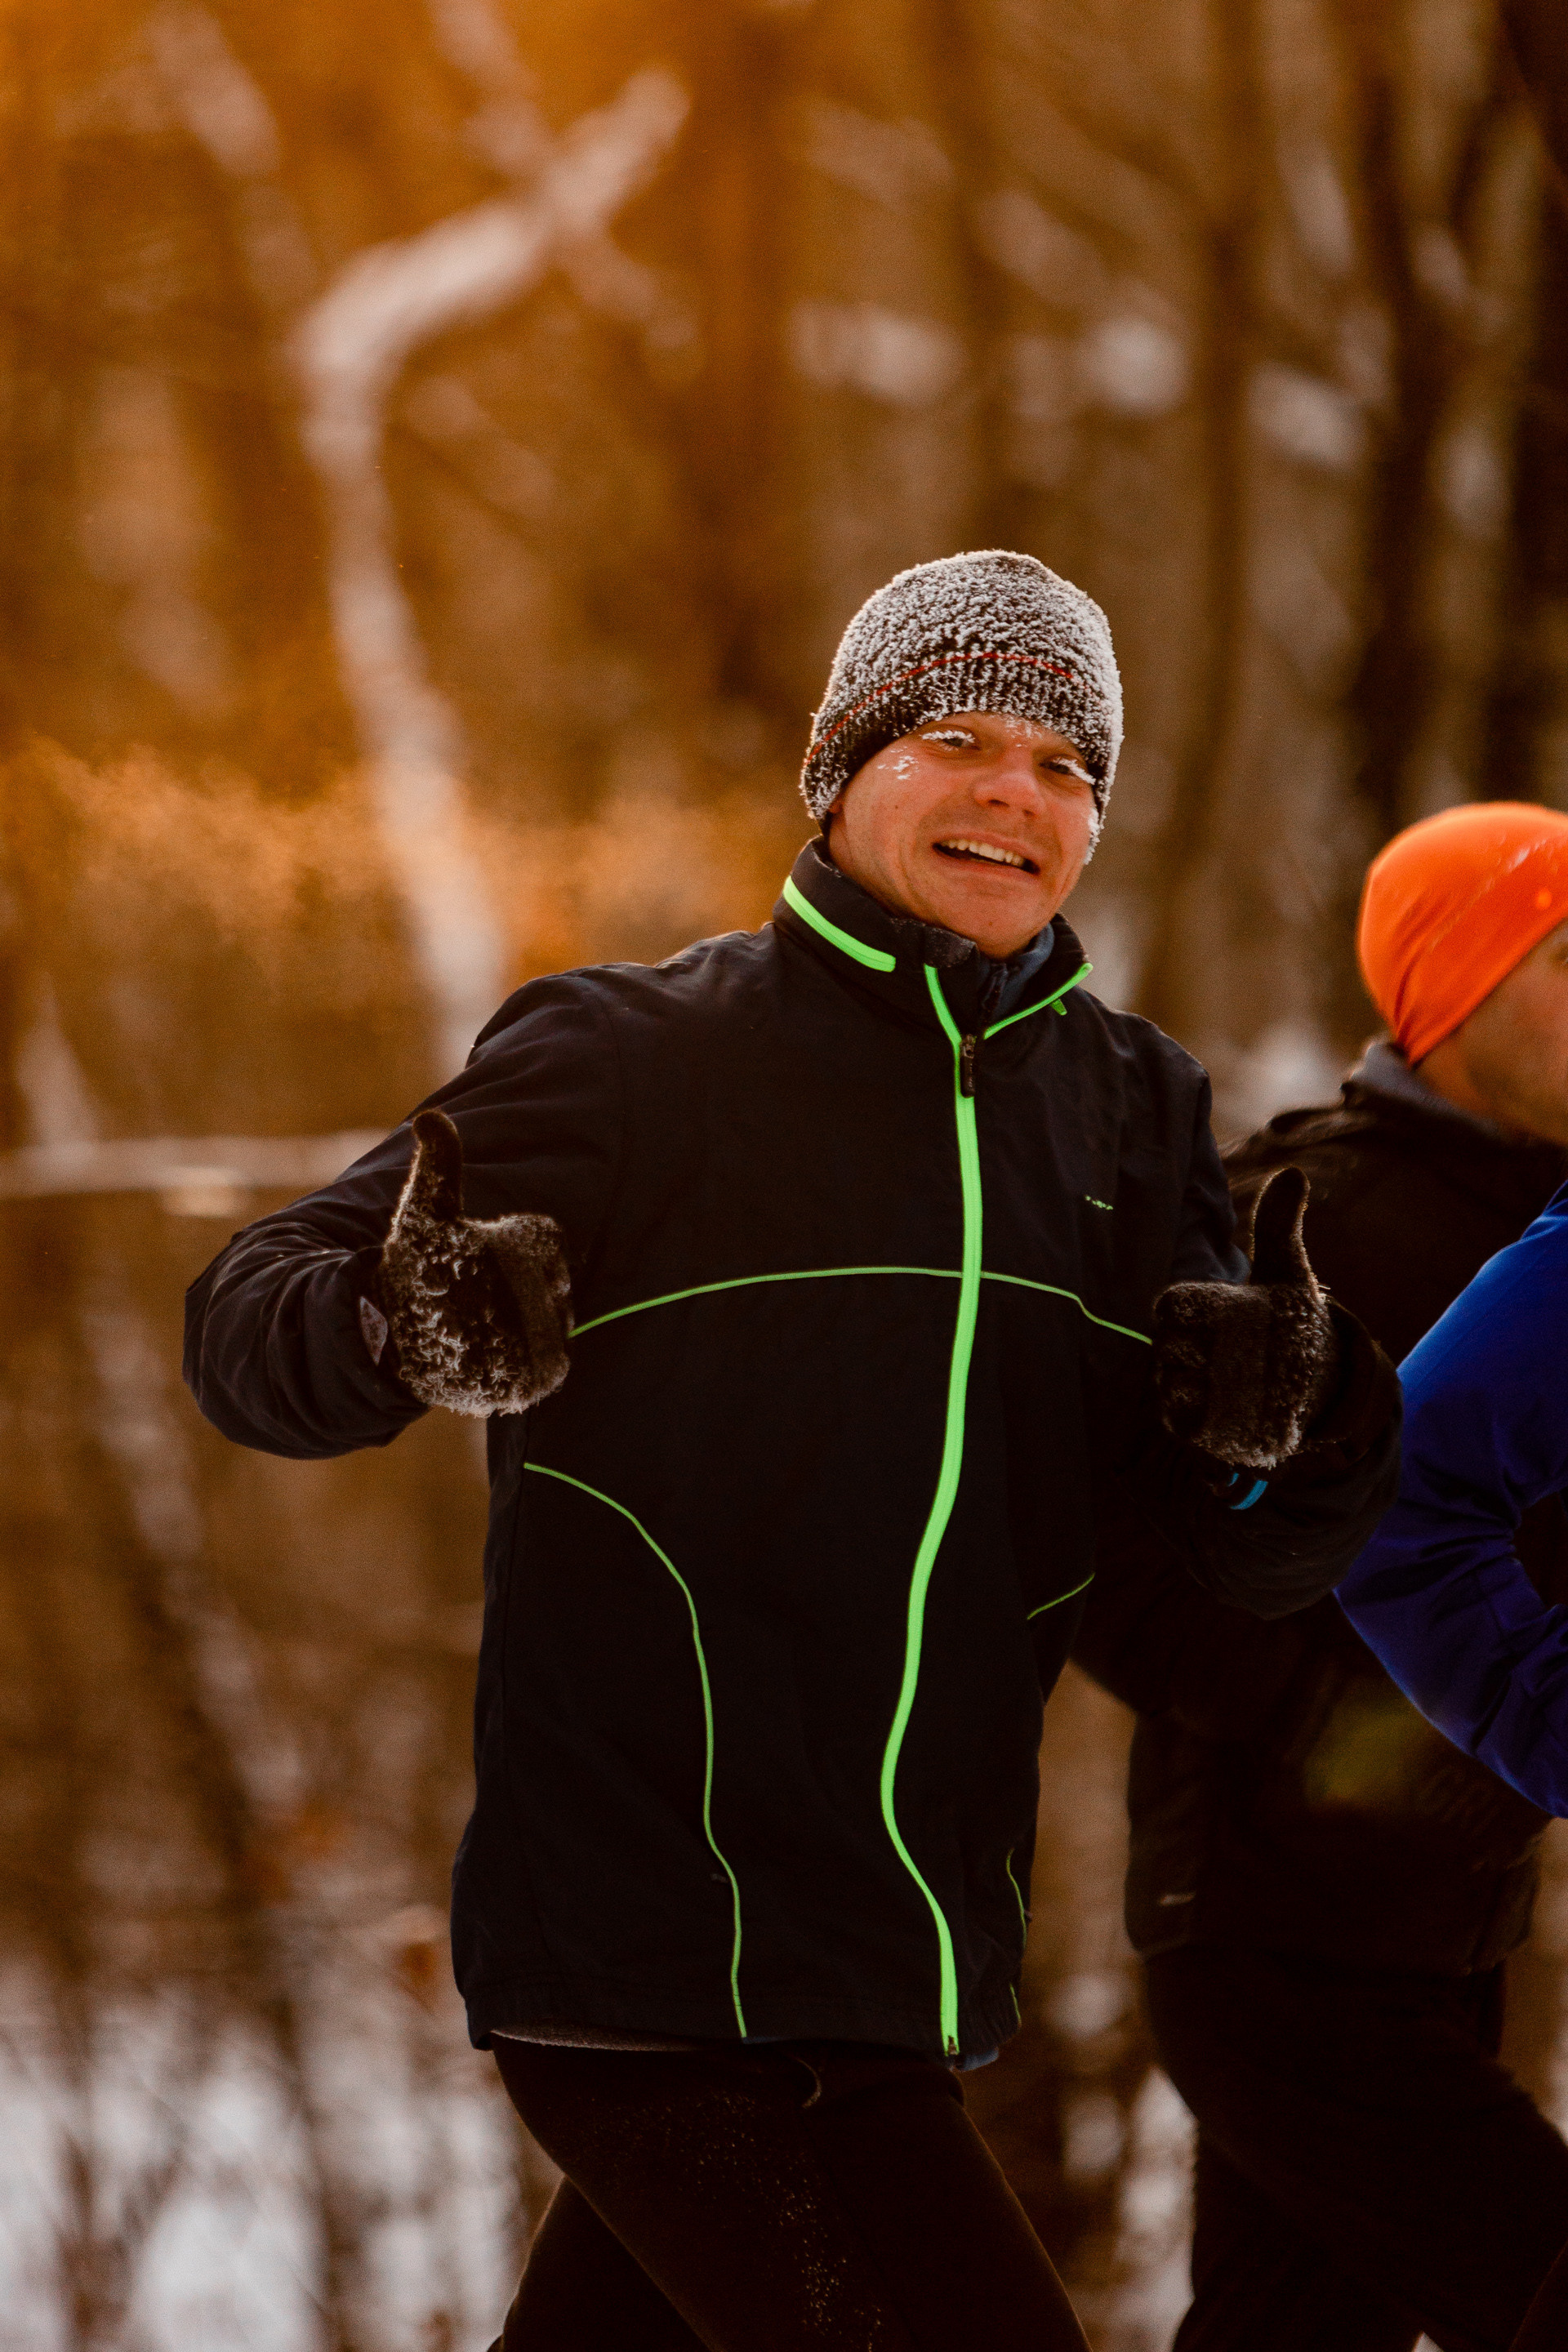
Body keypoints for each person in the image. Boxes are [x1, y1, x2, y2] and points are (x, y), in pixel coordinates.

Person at [183, 550, 1398, 2352]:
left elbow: (1229, 1557)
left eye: (1069, 765)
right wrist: (389, 1319)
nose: (1017, 790)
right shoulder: (625, 1056)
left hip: (897, 1967)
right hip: (640, 1955)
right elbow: (246, 1314)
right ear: (840, 775)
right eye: (960, 737)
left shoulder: (1130, 1105)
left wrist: (1289, 1434)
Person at [1072, 800, 1568, 2352]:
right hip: (1271, 1942)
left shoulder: (1546, 1236)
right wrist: (1341, 1726)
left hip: (1447, 1933)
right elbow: (1103, 1543)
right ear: (1457, 992)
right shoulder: (1305, 1220)